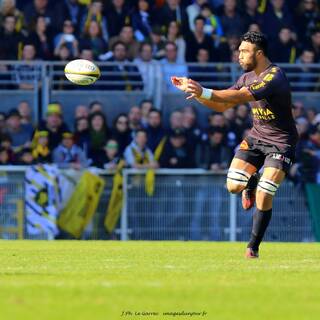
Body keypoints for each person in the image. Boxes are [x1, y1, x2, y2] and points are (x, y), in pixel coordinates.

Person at [172, 31, 298, 258]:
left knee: (265, 192)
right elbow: (222, 105)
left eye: (243, 51)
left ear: (259, 54)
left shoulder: (274, 76)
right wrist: (196, 92)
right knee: (233, 187)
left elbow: (240, 97)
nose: (238, 55)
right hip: (255, 139)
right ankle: (250, 180)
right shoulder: (246, 76)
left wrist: (204, 91)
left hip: (281, 143)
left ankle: (252, 247)